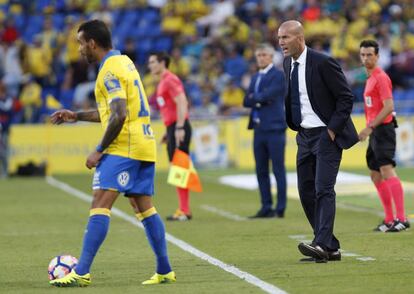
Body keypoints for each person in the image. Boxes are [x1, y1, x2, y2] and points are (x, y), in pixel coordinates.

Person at [49, 20, 175, 287]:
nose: (80, 49)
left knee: (99, 202)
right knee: (143, 207)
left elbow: (119, 115)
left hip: (124, 146)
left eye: (81, 43)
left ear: (92, 43)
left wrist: (99, 150)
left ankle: (81, 271)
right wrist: (77, 116)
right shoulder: (125, 63)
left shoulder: (108, 71)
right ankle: (164, 269)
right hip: (143, 144)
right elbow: (112, 111)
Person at [278, 20, 359, 263]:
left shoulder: (323, 62)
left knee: (323, 189)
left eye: (285, 37)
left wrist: (332, 131)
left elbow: (345, 98)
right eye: (279, 38)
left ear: (299, 38)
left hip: (326, 135)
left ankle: (321, 244)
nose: (280, 42)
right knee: (305, 191)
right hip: (304, 136)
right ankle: (330, 246)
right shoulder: (286, 63)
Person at [358, 39, 410, 232]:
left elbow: (389, 107)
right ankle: (389, 219)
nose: (365, 58)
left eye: (369, 54)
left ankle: (402, 219)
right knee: (375, 174)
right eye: (363, 54)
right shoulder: (370, 77)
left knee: (386, 170)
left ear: (377, 56)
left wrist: (369, 127)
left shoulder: (380, 77)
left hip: (382, 129)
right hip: (375, 131)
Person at [243, 43, 287, 218]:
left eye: (264, 55)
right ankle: (266, 206)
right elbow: (246, 101)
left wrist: (257, 98)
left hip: (275, 127)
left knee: (278, 169)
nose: (261, 58)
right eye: (258, 55)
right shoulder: (255, 77)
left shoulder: (278, 75)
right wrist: (258, 98)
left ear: (271, 57)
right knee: (261, 170)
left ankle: (280, 207)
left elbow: (269, 95)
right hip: (259, 128)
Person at [148, 52, 193, 221]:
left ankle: (184, 210)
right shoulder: (163, 82)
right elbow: (170, 107)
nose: (150, 65)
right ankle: (183, 209)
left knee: (180, 169)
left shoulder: (169, 79)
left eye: (153, 62)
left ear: (162, 62)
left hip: (178, 127)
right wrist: (169, 131)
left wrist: (180, 126)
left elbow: (182, 101)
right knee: (178, 169)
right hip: (173, 128)